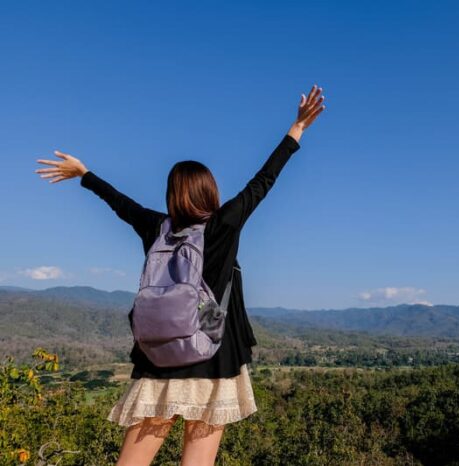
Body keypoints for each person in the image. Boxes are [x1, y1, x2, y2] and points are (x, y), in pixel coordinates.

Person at [34, 84, 326, 466]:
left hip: (158, 360)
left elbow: (121, 204)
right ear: (210, 192)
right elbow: (262, 182)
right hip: (211, 357)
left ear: (172, 194)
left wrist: (84, 174)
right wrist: (297, 129)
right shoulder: (223, 225)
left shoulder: (157, 228)